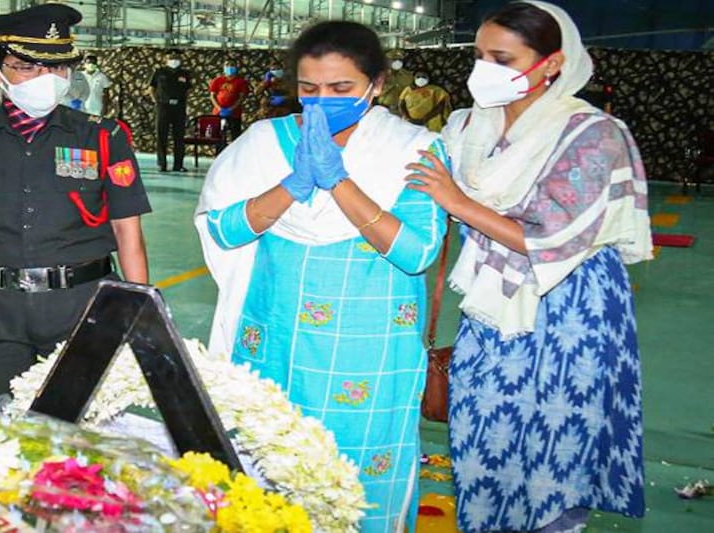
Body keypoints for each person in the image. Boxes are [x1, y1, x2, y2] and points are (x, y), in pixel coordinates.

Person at [405, 2, 651, 532]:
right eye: (478, 55)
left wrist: (456, 200)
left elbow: (551, 236)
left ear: (552, 63)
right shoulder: (466, 127)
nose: (483, 70)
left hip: (570, 309)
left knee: (554, 443)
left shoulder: (592, 134)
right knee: (481, 432)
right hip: (492, 308)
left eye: (502, 58)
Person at [195, 20, 446, 533]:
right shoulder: (265, 140)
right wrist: (293, 184)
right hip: (276, 340)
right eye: (309, 90)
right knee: (269, 474)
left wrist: (339, 181)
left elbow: (416, 251)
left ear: (376, 85)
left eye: (341, 89)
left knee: (355, 478)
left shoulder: (412, 149)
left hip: (368, 350)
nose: (323, 100)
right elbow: (223, 230)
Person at [0, 3, 151, 411]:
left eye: (58, 68)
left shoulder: (102, 136)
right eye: (28, 67)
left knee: (76, 439)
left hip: (82, 309)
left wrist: (138, 315)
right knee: (3, 436)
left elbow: (127, 233)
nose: (46, 79)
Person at [148, 50, 191, 172]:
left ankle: (178, 165)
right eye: (171, 57)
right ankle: (162, 164)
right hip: (163, 107)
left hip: (179, 107)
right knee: (162, 136)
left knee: (179, 136)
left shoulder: (185, 73)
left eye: (176, 57)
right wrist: (156, 101)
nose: (174, 59)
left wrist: (182, 100)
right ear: (166, 58)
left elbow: (188, 90)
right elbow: (151, 88)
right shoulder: (159, 72)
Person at [209, 59, 250, 141]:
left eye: (232, 65)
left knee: (235, 136)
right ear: (223, 68)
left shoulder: (241, 82)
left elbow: (242, 97)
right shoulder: (217, 80)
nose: (229, 67)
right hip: (218, 113)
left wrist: (231, 109)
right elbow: (212, 96)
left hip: (234, 113)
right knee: (218, 136)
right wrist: (219, 108)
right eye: (227, 65)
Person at [377, 51, 414, 116]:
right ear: (387, 61)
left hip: (401, 111)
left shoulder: (407, 75)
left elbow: (412, 93)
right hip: (382, 109)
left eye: (399, 59)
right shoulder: (379, 75)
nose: (397, 62)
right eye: (394, 59)